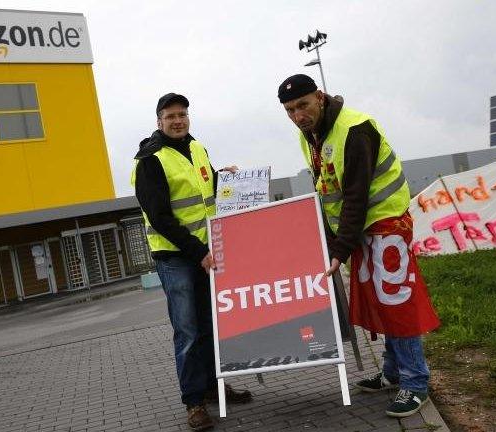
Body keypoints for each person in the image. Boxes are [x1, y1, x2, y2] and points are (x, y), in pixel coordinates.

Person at [277, 74, 440, 418]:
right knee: (379, 300)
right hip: (359, 228)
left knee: (395, 299)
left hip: (384, 220)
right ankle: (394, 372)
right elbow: (327, 186)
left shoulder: (355, 129)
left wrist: (340, 248)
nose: (298, 115)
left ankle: (415, 383)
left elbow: (355, 195)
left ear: (319, 97)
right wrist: (335, 239)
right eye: (290, 110)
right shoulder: (310, 134)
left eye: (303, 105)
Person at [131, 93, 252, 431]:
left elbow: (207, 190)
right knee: (187, 331)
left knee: (212, 326)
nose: (178, 120)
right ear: (159, 121)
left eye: (182, 114)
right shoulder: (150, 160)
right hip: (177, 259)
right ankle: (194, 403)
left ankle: (215, 387)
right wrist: (198, 252)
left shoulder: (198, 148)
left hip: (206, 254)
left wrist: (226, 179)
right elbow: (161, 218)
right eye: (170, 116)